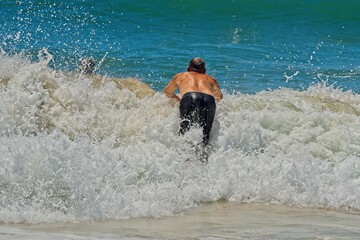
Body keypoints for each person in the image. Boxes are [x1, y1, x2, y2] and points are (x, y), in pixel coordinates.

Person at [164, 57, 223, 145]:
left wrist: (179, 100)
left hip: (190, 97)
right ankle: (203, 158)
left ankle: (183, 157)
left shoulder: (181, 75)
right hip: (209, 99)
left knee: (185, 133)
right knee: (205, 138)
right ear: (204, 71)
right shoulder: (211, 79)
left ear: (188, 69)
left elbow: (167, 91)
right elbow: (219, 97)